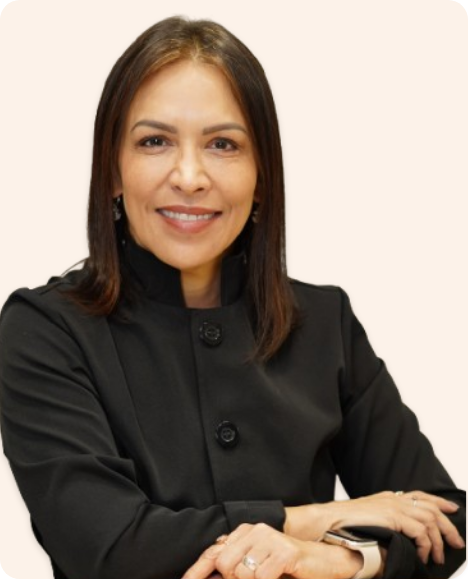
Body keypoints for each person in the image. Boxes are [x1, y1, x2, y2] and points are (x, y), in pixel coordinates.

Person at [0, 15, 465, 579]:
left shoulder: (325, 322)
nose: (189, 176)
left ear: (261, 175)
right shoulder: (45, 329)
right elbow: (108, 548)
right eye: (154, 141)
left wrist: (336, 557)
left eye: (223, 144)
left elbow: (446, 524)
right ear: (113, 170)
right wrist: (310, 519)